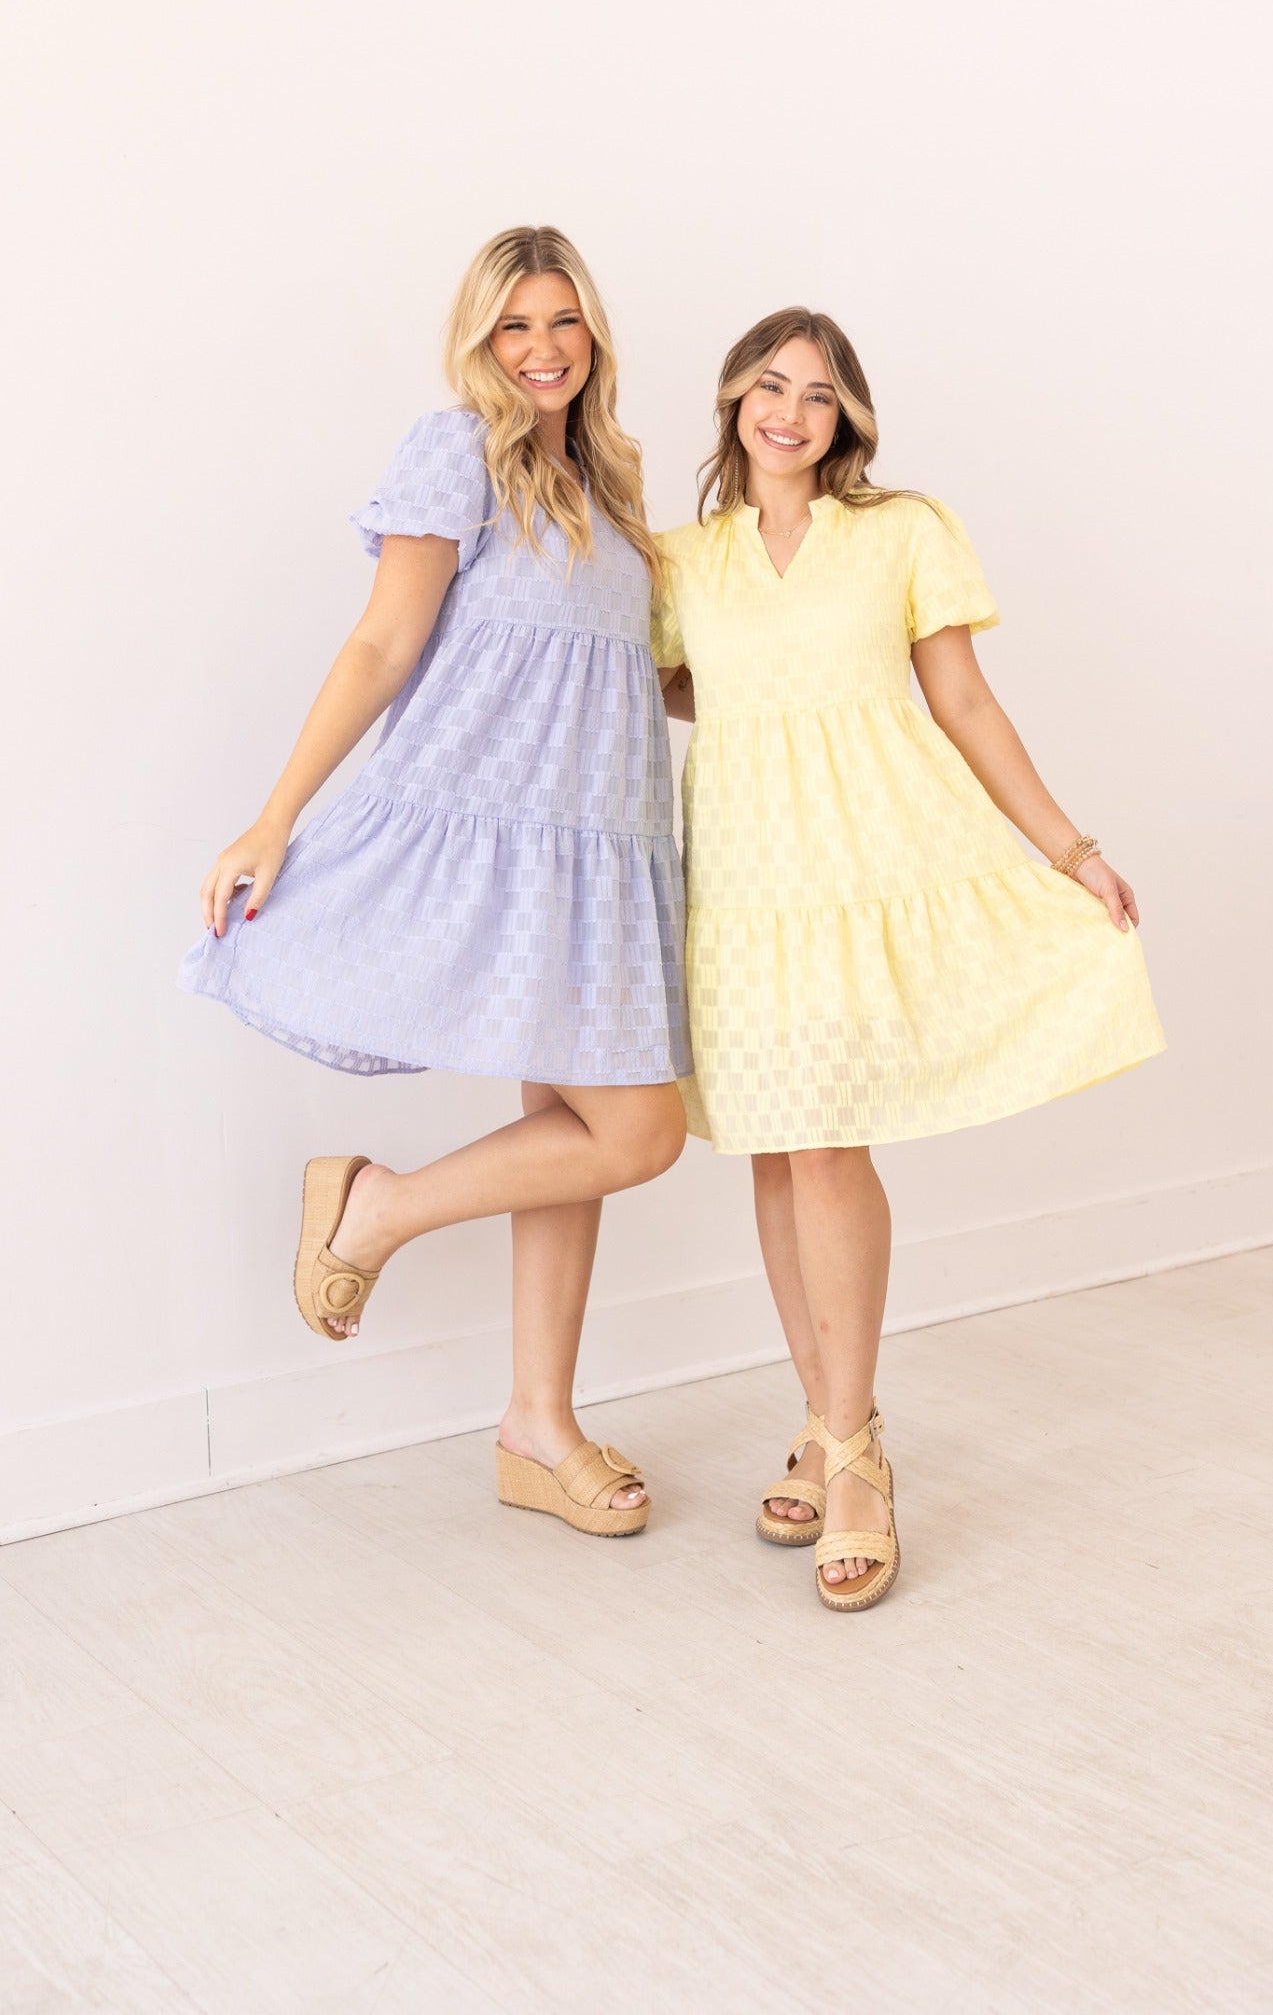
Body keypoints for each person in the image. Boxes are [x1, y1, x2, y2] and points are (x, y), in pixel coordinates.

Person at [182, 227, 689, 1535]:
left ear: (594, 334)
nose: (542, 349)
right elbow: (383, 643)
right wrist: (275, 817)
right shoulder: (456, 451)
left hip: (603, 851)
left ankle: (536, 1426)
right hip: (500, 834)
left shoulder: (608, 479)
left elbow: (637, 671)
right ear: (479, 340)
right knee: (636, 1131)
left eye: (563, 321)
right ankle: (377, 1208)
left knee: (578, 1142)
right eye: (514, 325)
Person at [654, 310, 1164, 1608]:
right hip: (742, 886)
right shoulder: (681, 560)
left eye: (819, 395)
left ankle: (854, 1452)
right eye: (771, 387)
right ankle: (829, 1422)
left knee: (829, 1147)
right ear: (732, 400)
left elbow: (963, 699)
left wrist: (1070, 848)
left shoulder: (901, 532)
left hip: (868, 863)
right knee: (775, 1149)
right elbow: (672, 687)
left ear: (848, 419)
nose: (790, 414)